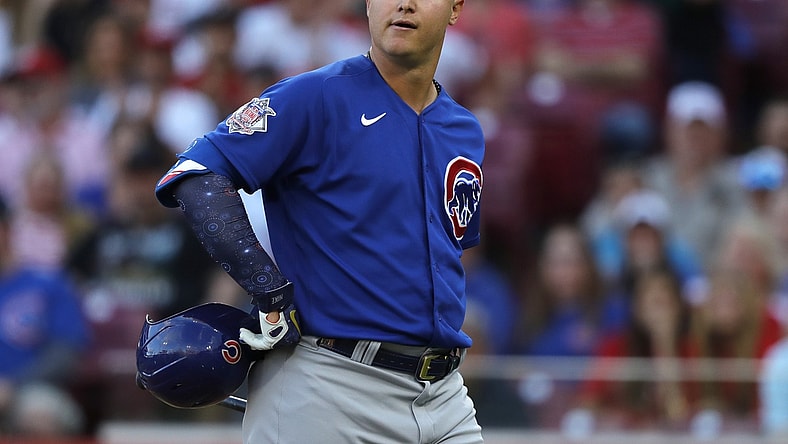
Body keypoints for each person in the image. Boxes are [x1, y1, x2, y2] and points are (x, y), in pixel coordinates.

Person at [154, 1, 485, 443]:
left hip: (443, 393)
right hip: (329, 385)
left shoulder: (464, 130)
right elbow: (194, 176)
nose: (403, 3)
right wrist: (267, 287)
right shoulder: (315, 96)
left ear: (455, 8)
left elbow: (446, 256)